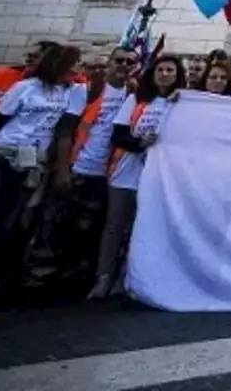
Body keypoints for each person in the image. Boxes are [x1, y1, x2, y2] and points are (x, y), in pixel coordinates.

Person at [0, 43, 82, 301]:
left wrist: (61, 168)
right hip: (3, 153)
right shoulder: (25, 87)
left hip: (34, 159)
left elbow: (65, 129)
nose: (76, 70)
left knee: (15, 218)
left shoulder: (73, 92)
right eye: (73, 65)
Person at [90, 55, 185, 299]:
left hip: (158, 178)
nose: (165, 74)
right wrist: (140, 143)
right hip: (126, 173)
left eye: (170, 71)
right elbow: (118, 134)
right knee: (114, 227)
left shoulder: (182, 103)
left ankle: (129, 277)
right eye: (161, 69)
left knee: (142, 228)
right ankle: (103, 277)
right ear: (153, 73)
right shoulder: (136, 100)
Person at [55, 47, 137, 288]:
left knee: (94, 229)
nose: (124, 65)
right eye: (119, 60)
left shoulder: (133, 93)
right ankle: (49, 279)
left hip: (108, 174)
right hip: (79, 168)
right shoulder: (86, 91)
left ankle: (79, 279)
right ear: (110, 63)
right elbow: (65, 130)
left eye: (130, 62)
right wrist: (62, 169)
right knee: (62, 226)